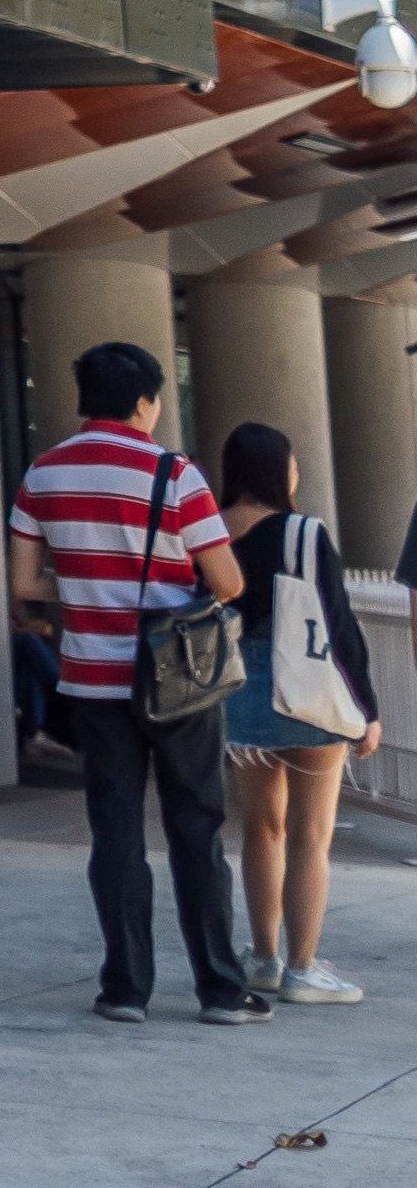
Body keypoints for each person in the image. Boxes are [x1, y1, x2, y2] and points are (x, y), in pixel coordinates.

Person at [4, 334, 264, 1024]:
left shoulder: (42, 473)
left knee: (114, 831)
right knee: (195, 827)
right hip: (177, 679)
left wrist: (91, 584)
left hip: (92, 681)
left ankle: (123, 987)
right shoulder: (175, 474)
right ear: (145, 402)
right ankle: (218, 987)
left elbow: (23, 583)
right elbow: (228, 582)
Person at [212, 419, 382, 1002]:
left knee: (261, 829)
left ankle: (262, 957)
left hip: (239, 694)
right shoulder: (304, 532)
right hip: (306, 692)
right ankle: (303, 968)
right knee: (311, 834)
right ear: (282, 471)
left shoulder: (209, 532)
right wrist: (366, 708)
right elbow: (337, 624)